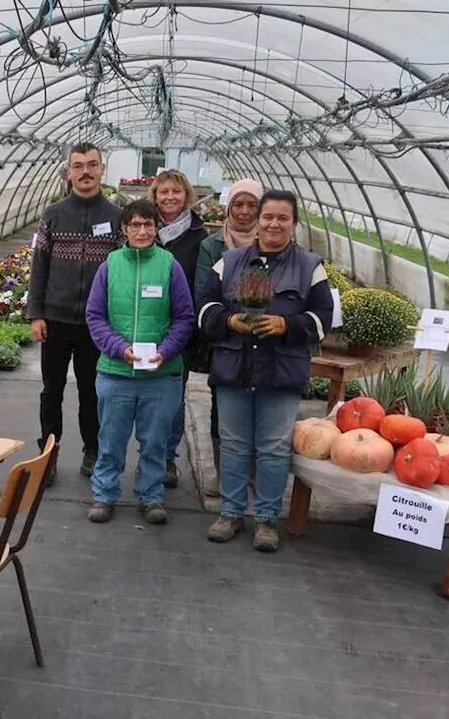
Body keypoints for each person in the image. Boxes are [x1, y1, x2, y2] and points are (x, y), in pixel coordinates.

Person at [196, 190, 334, 552]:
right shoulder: (230, 261)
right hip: (234, 367)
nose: (274, 224)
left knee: (274, 448)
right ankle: (230, 513)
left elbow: (323, 319)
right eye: (268, 216)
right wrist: (230, 320)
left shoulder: (309, 266)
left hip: (281, 371)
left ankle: (268, 519)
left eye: (282, 218)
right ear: (258, 220)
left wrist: (287, 325)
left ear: (294, 224)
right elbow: (204, 309)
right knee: (235, 444)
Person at [84, 200, 195, 524]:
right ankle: (104, 495)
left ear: (156, 228)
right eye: (135, 225)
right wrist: (119, 348)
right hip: (116, 372)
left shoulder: (169, 265)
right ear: (124, 230)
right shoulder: (110, 265)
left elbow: (184, 317)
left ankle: (151, 496)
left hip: (161, 374)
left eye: (148, 225)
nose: (142, 231)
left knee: (155, 442)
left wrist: (167, 350)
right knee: (111, 440)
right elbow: (95, 316)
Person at [26, 141, 123, 483]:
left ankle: (92, 451)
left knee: (91, 391)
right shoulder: (53, 215)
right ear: (68, 172)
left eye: (92, 165)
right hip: (55, 320)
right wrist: (36, 313)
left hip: (96, 325)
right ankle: (48, 453)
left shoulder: (116, 217)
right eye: (78, 165)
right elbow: (39, 267)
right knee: (51, 389)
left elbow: (122, 272)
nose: (85, 172)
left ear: (102, 170)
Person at [194, 179, 264, 472]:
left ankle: (252, 473)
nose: (245, 211)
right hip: (226, 342)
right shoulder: (212, 245)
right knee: (222, 411)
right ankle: (225, 474)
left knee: (262, 410)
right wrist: (231, 320)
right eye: (238, 204)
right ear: (228, 207)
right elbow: (204, 293)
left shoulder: (274, 243)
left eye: (252, 205)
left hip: (266, 342)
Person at [149, 169, 210, 489]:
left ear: (186, 196)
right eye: (164, 192)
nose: (170, 197)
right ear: (154, 196)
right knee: (140, 396)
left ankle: (167, 459)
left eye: (176, 191)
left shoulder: (200, 238)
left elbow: (201, 286)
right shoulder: (143, 231)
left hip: (180, 330)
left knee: (172, 397)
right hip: (144, 327)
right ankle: (146, 454)